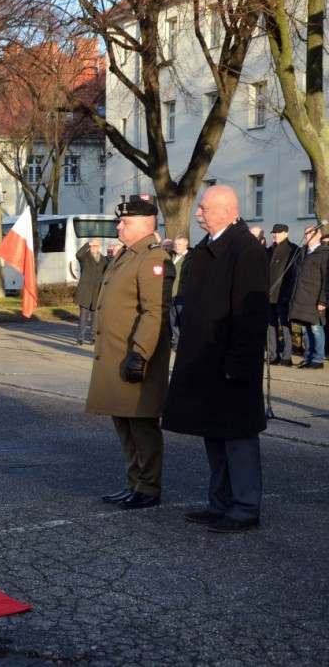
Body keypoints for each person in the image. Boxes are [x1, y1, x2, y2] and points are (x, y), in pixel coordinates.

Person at [162, 185, 269, 533]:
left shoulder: (245, 250)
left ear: (225, 211)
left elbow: (250, 314)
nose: (198, 213)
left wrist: (238, 362)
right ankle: (220, 502)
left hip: (230, 364)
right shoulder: (209, 248)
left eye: (204, 208)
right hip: (206, 360)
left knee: (238, 437)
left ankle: (245, 506)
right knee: (214, 434)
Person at [86, 196, 173, 510]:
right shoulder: (128, 255)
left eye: (125, 222)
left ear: (147, 224)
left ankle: (149, 486)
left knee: (141, 424)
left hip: (136, 357)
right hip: (116, 355)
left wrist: (140, 354)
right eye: (119, 221)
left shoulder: (154, 257)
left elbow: (154, 312)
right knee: (123, 422)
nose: (118, 226)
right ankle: (132, 482)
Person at [288, 225, 328, 369]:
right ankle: (308, 357)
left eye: (309, 233)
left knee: (316, 329)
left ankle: (318, 359)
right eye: (305, 233)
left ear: (317, 235)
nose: (306, 236)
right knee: (305, 330)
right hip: (301, 298)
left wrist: (323, 300)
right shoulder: (303, 252)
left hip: (315, 298)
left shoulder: (324, 253)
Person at [267, 224, 298, 366]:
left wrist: (287, 294)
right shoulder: (270, 250)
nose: (275, 235)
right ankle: (273, 354)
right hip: (269, 295)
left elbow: (292, 275)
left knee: (285, 326)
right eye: (274, 232)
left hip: (283, 295)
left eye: (278, 232)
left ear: (286, 233)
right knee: (271, 326)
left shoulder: (292, 249)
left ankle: (287, 356)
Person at [70, 238, 108, 345]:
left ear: (99, 247)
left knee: (95, 317)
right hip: (85, 292)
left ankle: (93, 337)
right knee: (83, 317)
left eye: (95, 246)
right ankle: (80, 338)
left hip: (97, 292)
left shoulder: (104, 260)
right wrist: (88, 244)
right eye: (92, 246)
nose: (93, 248)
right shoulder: (85, 257)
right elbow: (78, 254)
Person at [169, 235, 191, 350]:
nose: (176, 247)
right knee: (173, 319)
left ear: (186, 245)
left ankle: (185, 343)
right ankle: (177, 343)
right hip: (171, 293)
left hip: (182, 293)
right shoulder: (171, 257)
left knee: (182, 319)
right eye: (175, 244)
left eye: (179, 244)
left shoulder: (190, 258)